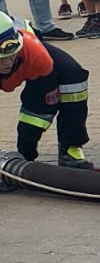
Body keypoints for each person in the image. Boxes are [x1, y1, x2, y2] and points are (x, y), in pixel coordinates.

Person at [0, 9, 93, 167]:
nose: (8, 63)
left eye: (11, 55)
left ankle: (70, 149)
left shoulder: (35, 55)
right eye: (2, 59)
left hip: (33, 55)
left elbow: (39, 106)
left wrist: (25, 155)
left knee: (73, 78)